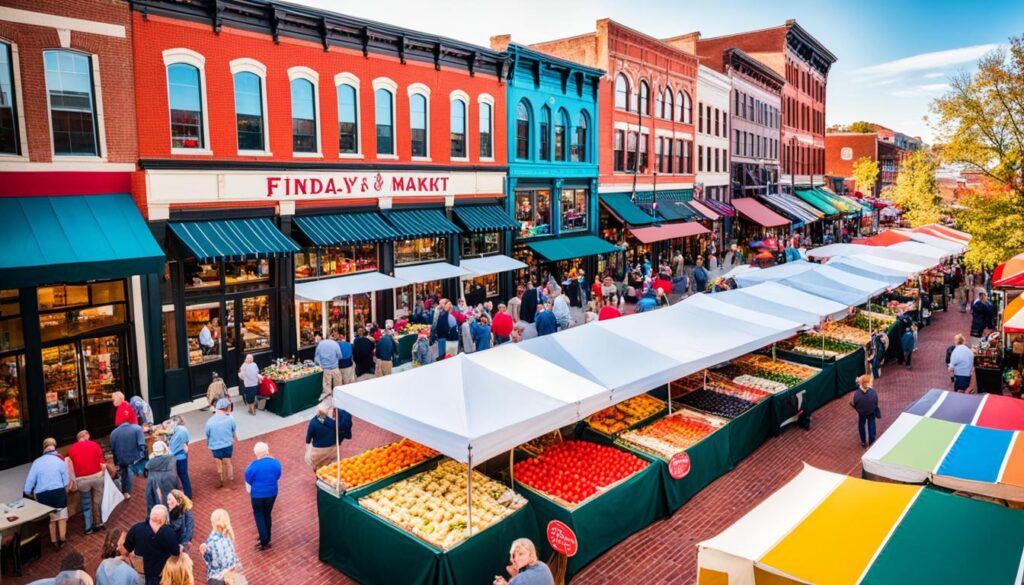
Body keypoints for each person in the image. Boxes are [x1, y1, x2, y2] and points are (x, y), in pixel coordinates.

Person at [23, 438, 70, 550]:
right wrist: (65, 491)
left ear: (44, 448)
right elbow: (66, 480)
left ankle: (54, 541)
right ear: (55, 447)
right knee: (62, 517)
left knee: (52, 517)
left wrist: (27, 492)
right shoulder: (59, 460)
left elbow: (30, 480)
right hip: (58, 492)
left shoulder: (37, 462)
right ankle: (62, 539)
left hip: (42, 495)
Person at [123, 505, 180, 585]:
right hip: (161, 576)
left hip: (140, 575)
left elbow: (125, 550)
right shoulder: (169, 533)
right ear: (163, 520)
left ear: (151, 515)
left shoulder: (136, 528)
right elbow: (176, 553)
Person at [66, 430, 106, 535]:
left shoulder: (72, 449)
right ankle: (99, 522)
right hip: (97, 476)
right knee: (98, 500)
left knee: (86, 502)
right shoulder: (94, 445)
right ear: (86, 436)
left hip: (82, 480)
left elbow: (70, 465)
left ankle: (88, 527)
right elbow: (102, 461)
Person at [245, 442, 281, 551]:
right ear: (267, 451)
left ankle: (264, 541)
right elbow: (278, 475)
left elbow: (248, 480)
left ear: (256, 453)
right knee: (267, 514)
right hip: (272, 493)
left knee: (259, 515)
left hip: (257, 495)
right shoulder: (276, 463)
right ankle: (267, 536)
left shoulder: (252, 466)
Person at [200, 509, 242, 584]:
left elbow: (210, 562)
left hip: (219, 578)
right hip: (233, 574)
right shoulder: (229, 535)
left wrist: (204, 552)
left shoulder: (211, 540)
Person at [306, 403, 350, 471]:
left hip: (318, 452)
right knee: (332, 469)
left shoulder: (313, 422)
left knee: (319, 471)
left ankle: (319, 480)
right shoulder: (335, 423)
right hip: (333, 450)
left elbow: (308, 438)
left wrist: (308, 449)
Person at [204, 399, 237, 488]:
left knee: (219, 463)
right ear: (226, 408)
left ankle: (221, 481)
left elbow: (207, 434)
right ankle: (231, 481)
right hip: (227, 444)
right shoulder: (230, 418)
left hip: (215, 446)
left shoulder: (210, 421)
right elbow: (233, 430)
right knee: (228, 462)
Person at [145, 441, 179, 513]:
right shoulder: (171, 459)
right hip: (170, 482)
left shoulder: (151, 464)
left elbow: (149, 493)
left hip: (157, 485)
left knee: (160, 501)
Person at [163, 416, 192, 499]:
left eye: (171, 422)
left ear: (175, 421)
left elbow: (185, 445)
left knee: (183, 476)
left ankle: (188, 495)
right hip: (177, 457)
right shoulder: (176, 430)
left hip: (179, 457)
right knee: (181, 476)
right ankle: (184, 494)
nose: (170, 424)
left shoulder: (181, 430)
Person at [851, 374, 880, 447]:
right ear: (866, 384)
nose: (872, 383)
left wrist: (860, 411)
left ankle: (863, 442)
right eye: (870, 382)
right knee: (872, 426)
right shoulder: (873, 392)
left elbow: (856, 404)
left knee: (861, 425)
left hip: (862, 413)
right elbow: (876, 402)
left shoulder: (857, 394)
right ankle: (872, 441)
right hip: (871, 412)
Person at [314, 332, 343, 401]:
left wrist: (320, 364)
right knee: (338, 385)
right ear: (331, 337)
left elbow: (316, 358)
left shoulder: (320, 344)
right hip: (335, 367)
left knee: (327, 387)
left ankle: (328, 401)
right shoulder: (335, 344)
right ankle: (338, 400)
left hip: (326, 368)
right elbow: (340, 356)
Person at [165, 489, 195, 555]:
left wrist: (183, 545)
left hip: (181, 545)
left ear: (178, 502)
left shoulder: (187, 513)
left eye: (170, 499)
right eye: (167, 499)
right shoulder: (167, 512)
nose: (167, 502)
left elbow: (189, 531)